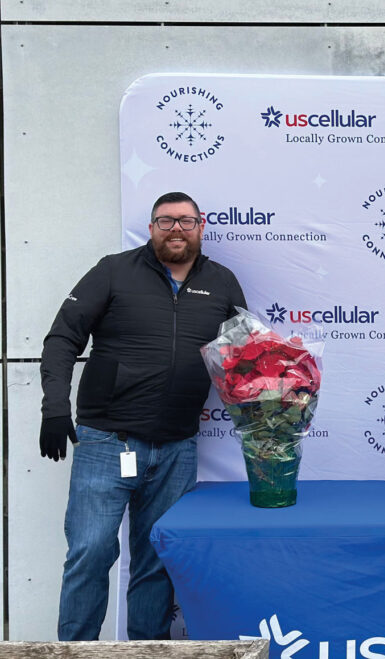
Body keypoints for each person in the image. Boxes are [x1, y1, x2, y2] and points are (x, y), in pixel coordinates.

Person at [39, 191, 247, 640]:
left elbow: (244, 357)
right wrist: (54, 407)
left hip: (177, 447)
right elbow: (62, 338)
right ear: (151, 227)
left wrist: (275, 400)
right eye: (166, 221)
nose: (176, 229)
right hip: (106, 442)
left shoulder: (223, 281)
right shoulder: (113, 271)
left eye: (186, 222)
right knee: (91, 552)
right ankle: (76, 652)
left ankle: (148, 651)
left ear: (201, 226)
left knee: (156, 559)